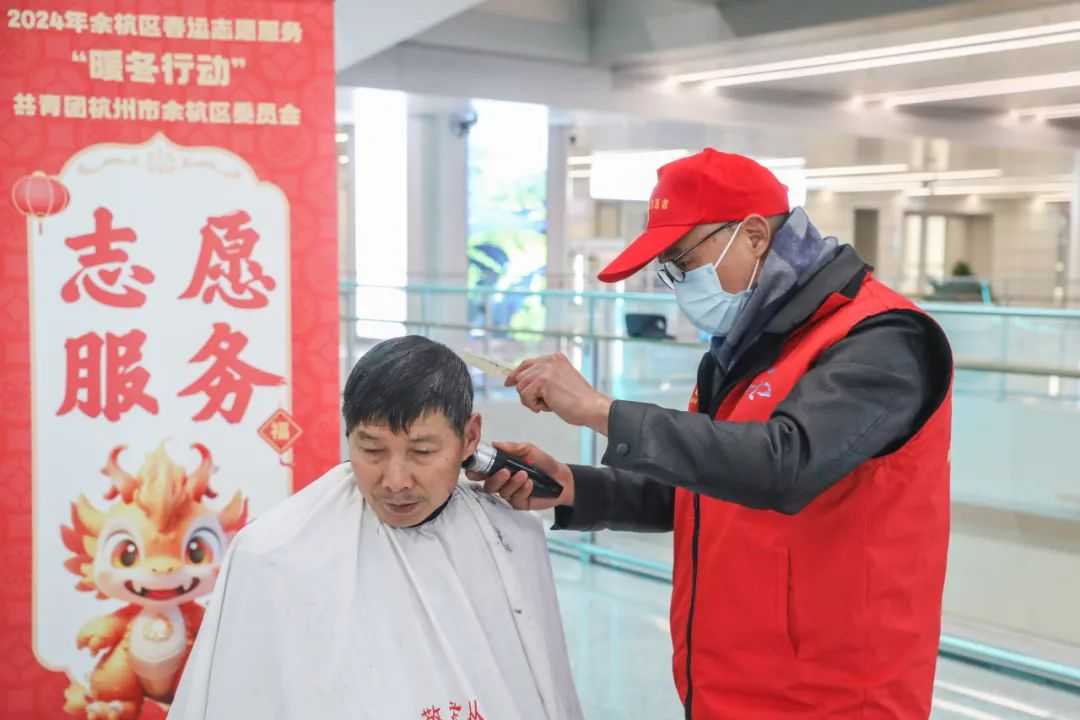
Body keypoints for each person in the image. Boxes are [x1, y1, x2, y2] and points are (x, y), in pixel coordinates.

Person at [473, 149, 953, 719]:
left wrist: (601, 411)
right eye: (667, 271)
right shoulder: (744, 349)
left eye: (683, 261)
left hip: (835, 700)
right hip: (730, 690)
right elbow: (706, 489)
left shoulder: (882, 339)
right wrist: (571, 485)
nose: (678, 285)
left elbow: (781, 467)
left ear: (753, 235)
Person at [170, 336, 584, 720]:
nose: (395, 481)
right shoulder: (270, 556)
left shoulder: (512, 537)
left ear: (470, 437)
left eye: (422, 451)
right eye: (371, 450)